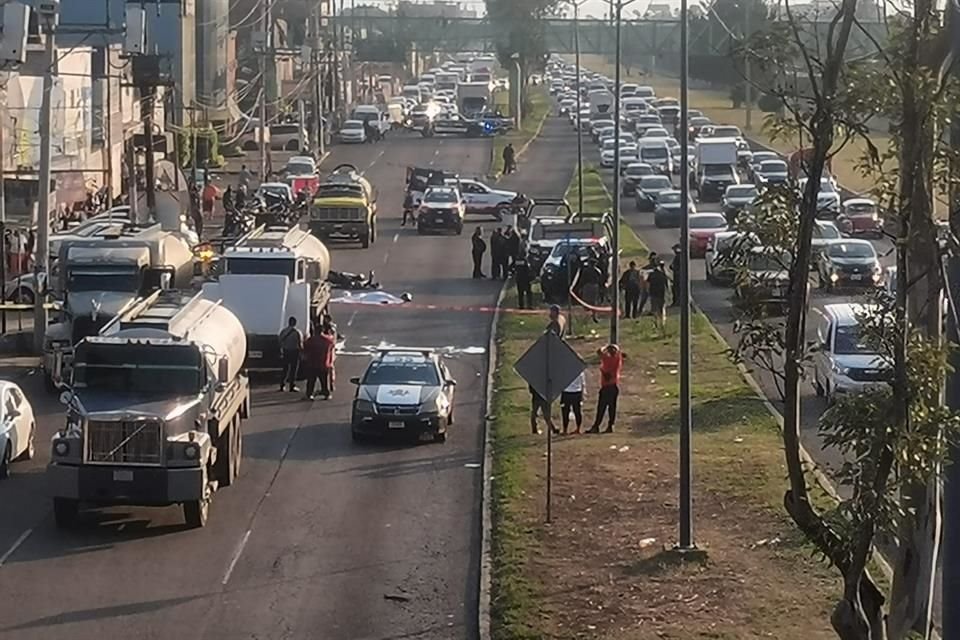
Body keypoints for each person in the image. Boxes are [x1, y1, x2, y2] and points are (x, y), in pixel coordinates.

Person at [587, 344, 625, 434]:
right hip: (613, 386)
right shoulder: (617, 360)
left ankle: (596, 426)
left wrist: (605, 347)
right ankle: (610, 425)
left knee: (601, 408)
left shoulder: (606, 359)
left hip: (606, 387)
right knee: (612, 407)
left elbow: (599, 351)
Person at [303, 320, 336, 400]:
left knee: (311, 381)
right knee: (324, 381)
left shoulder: (311, 340)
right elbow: (332, 345)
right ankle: (326, 394)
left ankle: (309, 394)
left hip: (312, 364)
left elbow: (305, 348)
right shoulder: (328, 341)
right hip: (324, 364)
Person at [278, 317, 304, 393]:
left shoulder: (283, 331)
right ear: (295, 323)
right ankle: (292, 385)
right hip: (294, 352)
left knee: (285, 369)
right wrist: (302, 353)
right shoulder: (297, 332)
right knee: (293, 369)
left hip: (286, 351)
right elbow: (300, 344)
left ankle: (282, 385)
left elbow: (279, 341)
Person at [647, 260, 670, 334]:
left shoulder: (651, 275)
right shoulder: (662, 274)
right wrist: (668, 292)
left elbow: (648, 283)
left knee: (654, 309)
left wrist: (648, 291)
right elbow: (667, 284)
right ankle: (662, 323)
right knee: (661, 309)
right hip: (661, 294)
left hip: (653, 294)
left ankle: (655, 323)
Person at [560, 370, 585, 435]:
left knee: (565, 412)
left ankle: (565, 430)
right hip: (576, 392)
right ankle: (578, 429)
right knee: (577, 411)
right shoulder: (580, 371)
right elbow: (583, 384)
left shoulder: (565, 370)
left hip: (567, 392)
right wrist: (582, 395)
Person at [636, 251, 658, 315]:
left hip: (654, 286)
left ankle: (653, 311)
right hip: (646, 286)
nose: (653, 261)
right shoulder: (645, 269)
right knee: (644, 299)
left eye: (654, 260)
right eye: (652, 259)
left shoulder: (658, 268)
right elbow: (641, 277)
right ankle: (640, 310)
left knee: (653, 299)